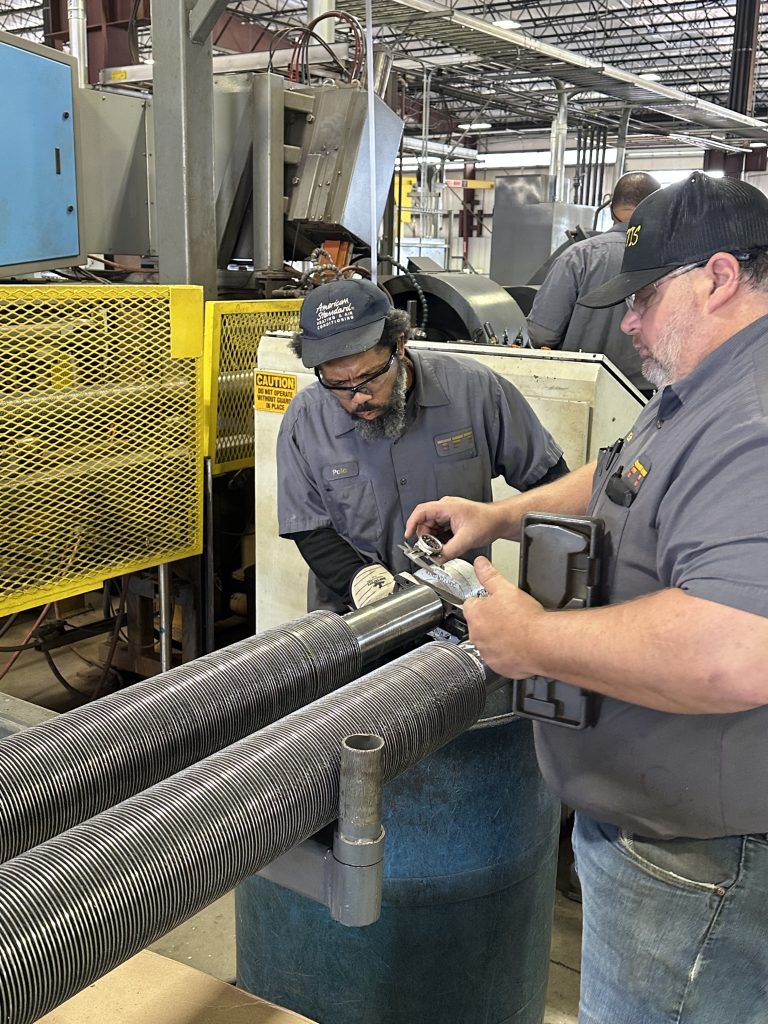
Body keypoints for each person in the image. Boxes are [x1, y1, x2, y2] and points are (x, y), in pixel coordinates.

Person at [405, 171, 768, 1024]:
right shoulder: (699, 389)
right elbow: (619, 477)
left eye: (644, 297)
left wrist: (535, 643)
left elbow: (736, 650)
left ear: (719, 277)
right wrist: (501, 513)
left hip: (696, 861)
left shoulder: (753, 421)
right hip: (653, 834)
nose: (628, 320)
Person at [276, 277, 568, 612]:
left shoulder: (476, 391)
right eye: (338, 384)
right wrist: (359, 581)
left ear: (399, 344)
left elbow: (553, 482)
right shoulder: (305, 420)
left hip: (458, 614)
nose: (358, 396)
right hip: (354, 617)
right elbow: (309, 528)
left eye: (370, 376)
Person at [527, 171, 660, 392]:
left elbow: (542, 334)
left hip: (578, 389)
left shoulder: (579, 255)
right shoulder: (675, 259)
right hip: (647, 395)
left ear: (610, 210)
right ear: (659, 210)